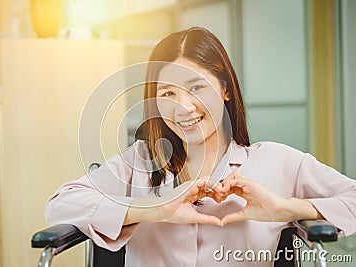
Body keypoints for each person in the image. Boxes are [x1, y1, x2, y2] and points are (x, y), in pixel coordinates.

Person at [45, 27, 356, 266]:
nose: (183, 107)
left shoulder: (279, 162)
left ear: (225, 89)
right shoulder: (138, 162)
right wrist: (155, 209)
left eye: (196, 87)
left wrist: (286, 208)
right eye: (168, 93)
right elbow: (60, 205)